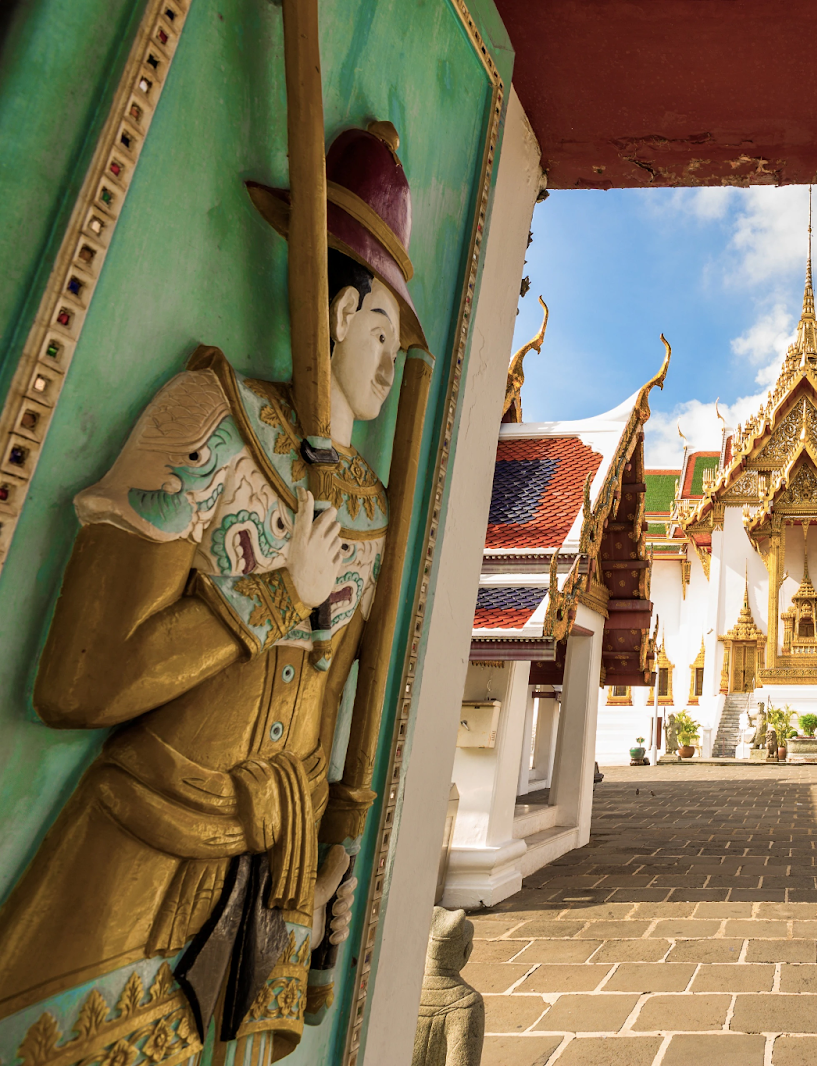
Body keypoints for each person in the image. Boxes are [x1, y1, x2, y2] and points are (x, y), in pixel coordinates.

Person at [0, 122, 426, 1065]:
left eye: (403, 336)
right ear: (337, 314)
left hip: (267, 895)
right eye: (383, 326)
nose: (392, 361)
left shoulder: (373, 514)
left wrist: (318, 878)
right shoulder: (209, 420)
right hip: (139, 867)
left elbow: (325, 710)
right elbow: (78, 681)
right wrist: (273, 601)